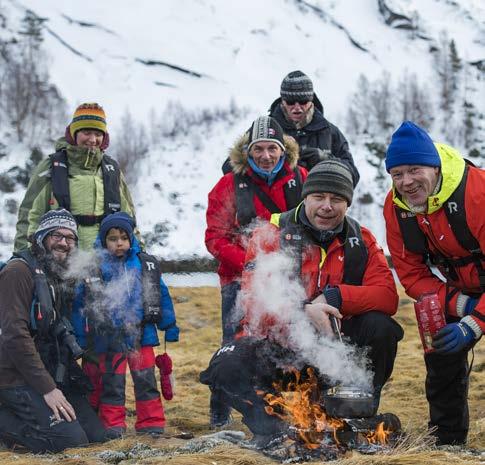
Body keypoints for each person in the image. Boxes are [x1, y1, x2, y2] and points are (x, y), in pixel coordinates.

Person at [201, 160, 403, 445]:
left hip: (334, 357)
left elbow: (387, 296)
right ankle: (276, 427)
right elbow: (254, 300)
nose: (326, 206)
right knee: (225, 365)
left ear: (348, 204)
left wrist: (336, 297)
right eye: (319, 197)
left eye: (337, 199)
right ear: (306, 197)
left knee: (382, 327)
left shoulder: (361, 239)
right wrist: (303, 311)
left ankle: (355, 416)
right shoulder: (272, 232)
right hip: (279, 352)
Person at [383, 121, 485, 446]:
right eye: (397, 174)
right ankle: (447, 442)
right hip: (455, 289)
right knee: (440, 352)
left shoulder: (478, 194)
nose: (407, 182)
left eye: (415, 169)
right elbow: (410, 272)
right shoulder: (397, 208)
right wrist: (458, 305)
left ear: (435, 166)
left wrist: (475, 322)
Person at [205, 115, 307, 427]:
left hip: (291, 280)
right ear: (247, 152)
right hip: (238, 280)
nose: (265, 155)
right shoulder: (228, 186)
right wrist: (252, 265)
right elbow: (215, 238)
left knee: (288, 340)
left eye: (271, 149)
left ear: (283, 151)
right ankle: (219, 410)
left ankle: (278, 410)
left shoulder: (302, 179)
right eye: (258, 149)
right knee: (233, 343)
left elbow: (315, 223)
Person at [0, 209, 107, 453]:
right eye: (56, 235)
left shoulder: (57, 276)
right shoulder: (18, 272)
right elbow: (15, 336)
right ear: (41, 238)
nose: (64, 242)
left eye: (70, 238)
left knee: (96, 437)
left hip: (45, 371)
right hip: (12, 376)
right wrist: (48, 390)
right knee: (70, 442)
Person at [72, 212, 179, 438]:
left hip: (143, 334)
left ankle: (151, 423)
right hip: (108, 337)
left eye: (123, 237)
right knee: (112, 383)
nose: (119, 243)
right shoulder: (95, 268)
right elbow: (80, 305)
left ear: (131, 239)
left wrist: (169, 325)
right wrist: (80, 337)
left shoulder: (143, 264)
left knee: (146, 381)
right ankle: (112, 426)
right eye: (112, 238)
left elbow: (160, 293)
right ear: (103, 241)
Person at [14, 102, 137, 252]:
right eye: (86, 132)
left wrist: (140, 253)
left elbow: (129, 219)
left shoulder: (112, 170)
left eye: (98, 134)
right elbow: (28, 214)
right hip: (59, 259)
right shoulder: (50, 166)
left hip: (106, 261)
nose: (92, 139)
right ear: (74, 134)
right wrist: (21, 254)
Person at [222, 71, 359, 184]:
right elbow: (229, 168)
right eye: (291, 102)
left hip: (318, 208)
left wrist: (326, 160)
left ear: (311, 101)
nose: (297, 108)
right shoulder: (263, 129)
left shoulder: (329, 131)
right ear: (282, 101)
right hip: (274, 209)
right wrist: (269, 161)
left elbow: (353, 176)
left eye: (303, 102)